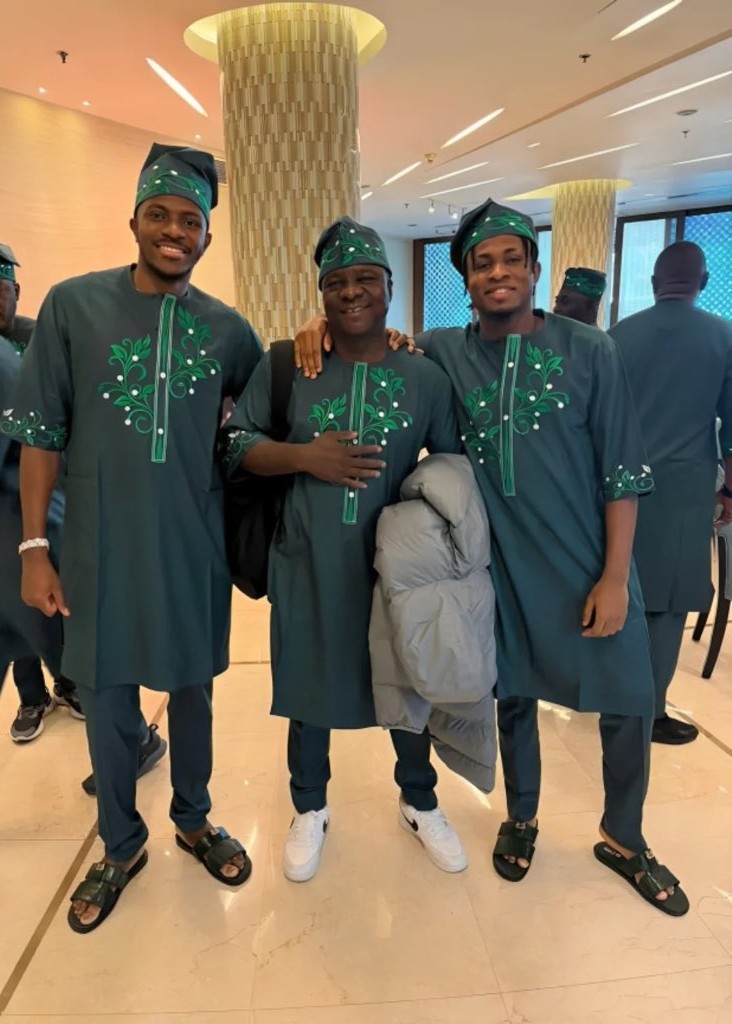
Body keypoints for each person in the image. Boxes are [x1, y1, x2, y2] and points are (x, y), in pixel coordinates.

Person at [294, 200, 688, 916]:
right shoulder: (445, 349)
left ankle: (624, 837)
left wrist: (613, 576)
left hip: (587, 558)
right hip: (500, 565)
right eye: (483, 263)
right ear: (466, 278)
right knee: (512, 696)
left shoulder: (588, 350)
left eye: (511, 259)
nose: (498, 272)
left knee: (627, 697)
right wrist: (318, 329)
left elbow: (622, 471)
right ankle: (521, 815)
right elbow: (378, 343)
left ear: (534, 269)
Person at [0, 143, 262, 932]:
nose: (174, 231)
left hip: (190, 543)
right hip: (97, 546)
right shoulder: (72, 307)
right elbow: (40, 436)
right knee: (107, 695)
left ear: (207, 235)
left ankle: (194, 818)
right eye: (159, 215)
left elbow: (263, 408)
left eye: (190, 220)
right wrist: (34, 549)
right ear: (135, 222)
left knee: (193, 692)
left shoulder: (227, 330)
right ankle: (120, 844)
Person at [223, 217, 469, 882]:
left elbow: (452, 467)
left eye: (365, 279)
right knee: (309, 686)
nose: (352, 291)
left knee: (408, 683)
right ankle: (309, 806)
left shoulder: (423, 378)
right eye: (336, 282)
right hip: (306, 560)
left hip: (397, 571)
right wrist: (305, 457)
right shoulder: (290, 365)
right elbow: (237, 444)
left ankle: (419, 801)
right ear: (321, 293)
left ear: (389, 287)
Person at [0, 225, 84, 741]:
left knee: (53, 604)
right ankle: (32, 698)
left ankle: (72, 684)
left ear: (17, 291)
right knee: (4, 609)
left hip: (45, 500)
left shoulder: (43, 342)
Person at [610, 241, 732, 745]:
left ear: (654, 283)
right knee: (667, 607)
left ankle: (610, 697)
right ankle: (649, 712)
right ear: (702, 282)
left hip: (616, 488)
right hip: (683, 491)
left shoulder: (618, 336)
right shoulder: (724, 337)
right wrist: (730, 492)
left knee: (617, 590)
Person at [0, 242, 63, 841]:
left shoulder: (9, 355)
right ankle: (36, 699)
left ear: (15, 293)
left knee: (69, 652)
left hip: (25, 531)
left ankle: (131, 742)